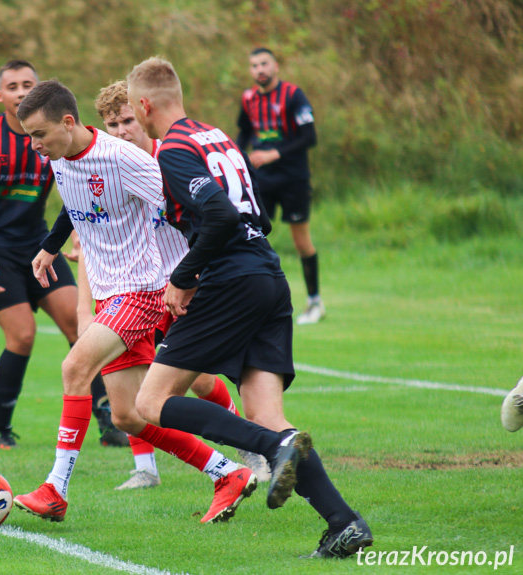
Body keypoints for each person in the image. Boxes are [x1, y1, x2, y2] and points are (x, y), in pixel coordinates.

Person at [127, 57, 373, 558]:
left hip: (232, 280)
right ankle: (344, 522)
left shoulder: (172, 149)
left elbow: (218, 214)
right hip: (267, 274)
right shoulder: (216, 136)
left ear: (144, 105)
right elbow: (252, 208)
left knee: (148, 404)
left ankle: (269, 450)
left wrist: (183, 276)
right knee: (267, 415)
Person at [11, 80, 257, 524]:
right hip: (109, 292)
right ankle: (228, 473)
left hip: (143, 288)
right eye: (30, 137)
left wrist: (200, 270)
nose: (35, 146)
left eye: (39, 135)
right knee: (127, 414)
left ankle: (55, 489)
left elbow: (179, 207)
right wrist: (51, 245)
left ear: (68, 123)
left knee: (74, 368)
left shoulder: (124, 159)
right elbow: (75, 205)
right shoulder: (60, 157)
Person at [93, 80, 271, 489]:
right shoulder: (109, 168)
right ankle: (146, 469)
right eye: (111, 124)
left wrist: (191, 274)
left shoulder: (168, 159)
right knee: (133, 384)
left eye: (126, 120)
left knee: (201, 381)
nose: (121, 131)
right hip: (137, 288)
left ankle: (250, 448)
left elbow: (217, 211)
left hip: (184, 285)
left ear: (142, 114)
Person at [0, 60, 125, 449]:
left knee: (81, 327)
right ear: (0, 96)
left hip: (39, 243)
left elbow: (77, 193)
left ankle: (109, 422)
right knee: (23, 335)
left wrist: (76, 237)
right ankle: (0, 430)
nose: (20, 91)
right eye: (12, 85)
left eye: (28, 84)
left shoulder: (53, 137)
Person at [236, 48, 324, 325]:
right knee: (253, 236)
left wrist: (275, 153)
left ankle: (314, 302)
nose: (259, 69)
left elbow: (309, 137)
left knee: (301, 241)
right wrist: (235, 159)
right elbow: (244, 133)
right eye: (254, 65)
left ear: (275, 66)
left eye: (264, 64)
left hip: (293, 177)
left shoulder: (293, 96)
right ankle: (259, 302)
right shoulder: (249, 98)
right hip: (261, 180)